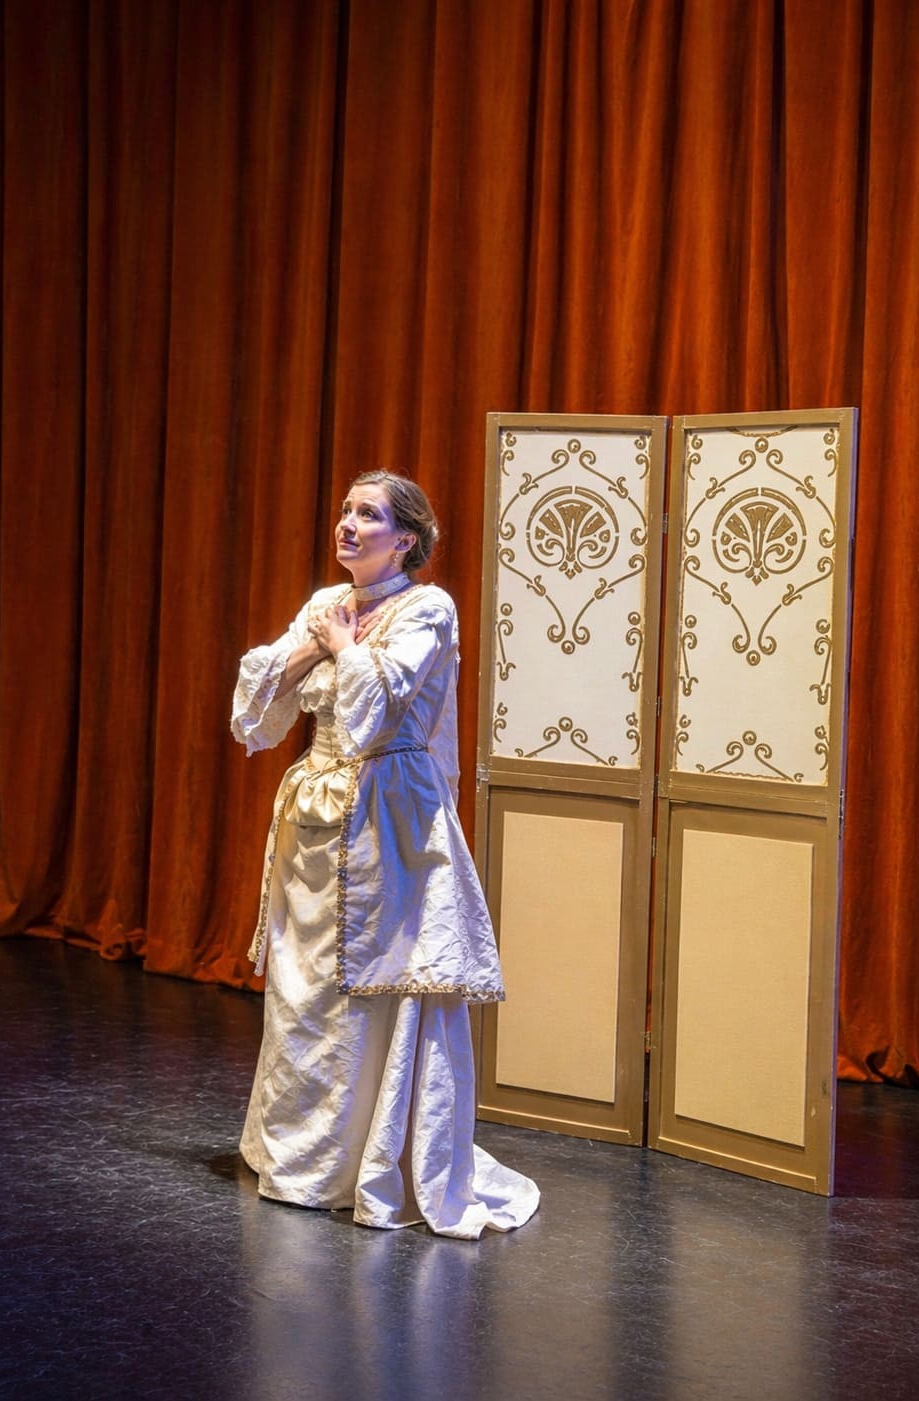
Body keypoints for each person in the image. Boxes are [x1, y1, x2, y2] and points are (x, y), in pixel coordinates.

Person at [230, 470, 539, 1238]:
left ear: (404, 538)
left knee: (375, 983)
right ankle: (302, 1159)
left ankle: (374, 1159)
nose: (347, 522)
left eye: (367, 514)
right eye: (344, 509)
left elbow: (381, 704)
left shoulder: (427, 607)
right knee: (303, 989)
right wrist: (318, 642)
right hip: (314, 818)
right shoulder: (324, 604)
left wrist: (340, 646)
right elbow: (260, 704)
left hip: (390, 816)